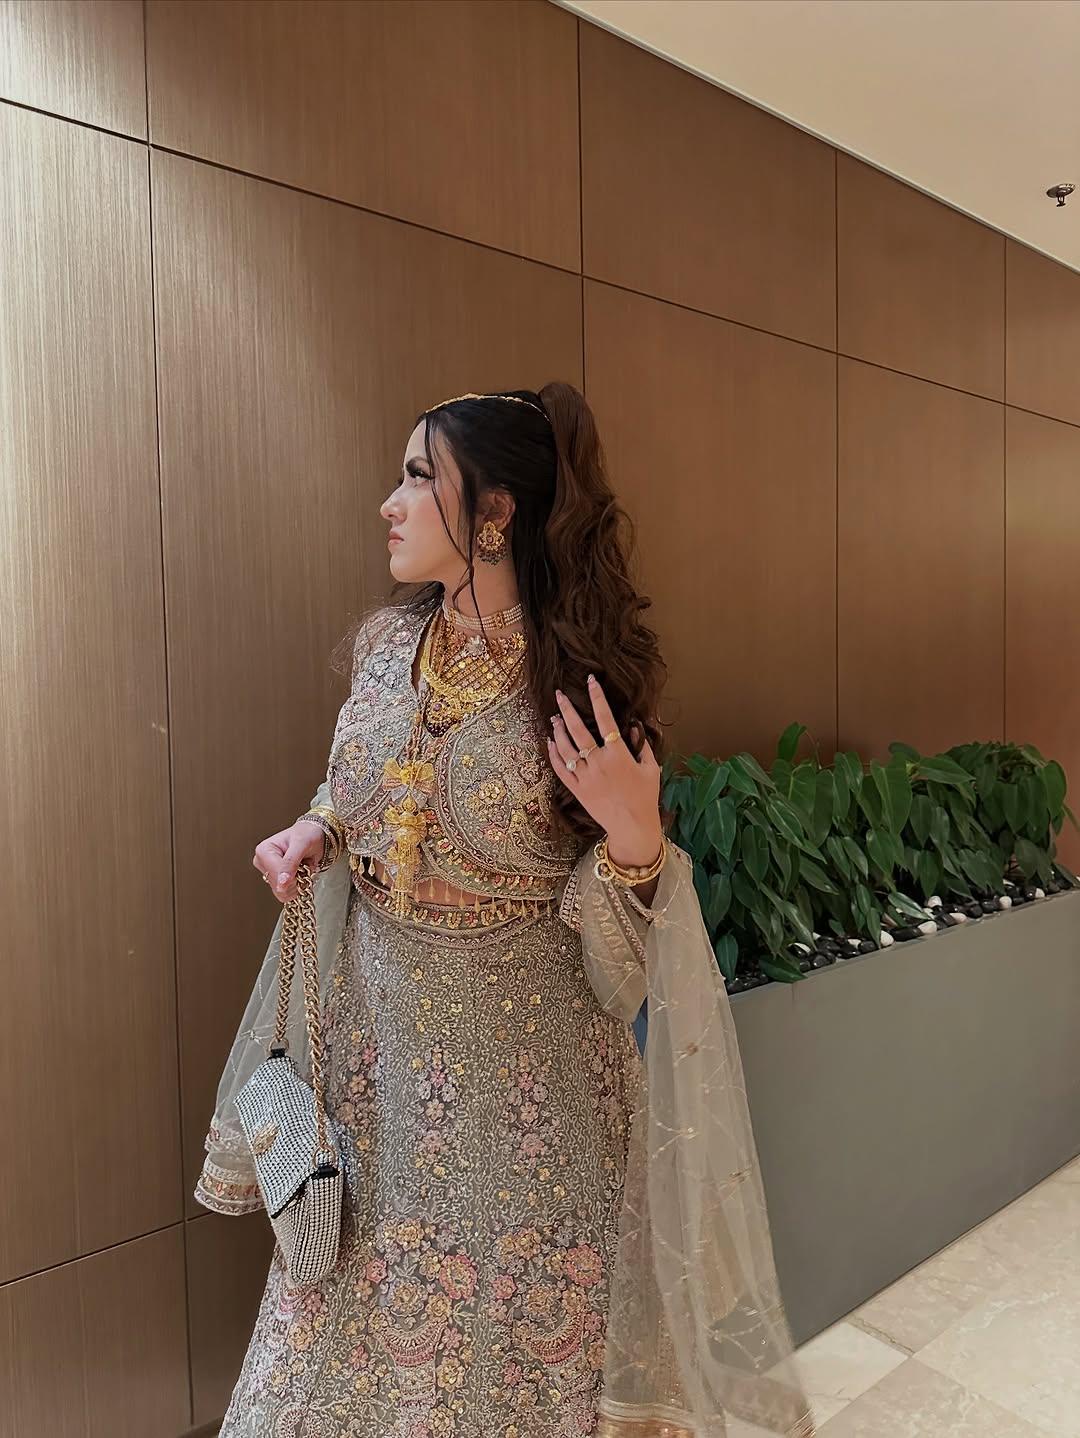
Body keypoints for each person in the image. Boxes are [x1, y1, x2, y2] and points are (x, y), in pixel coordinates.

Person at [197, 385, 814, 1438]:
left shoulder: (572, 686)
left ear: (495, 513)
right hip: (377, 1077)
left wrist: (635, 839)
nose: (390, 503)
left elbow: (621, 968)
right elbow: (361, 786)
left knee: (508, 1378)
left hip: (530, 1104)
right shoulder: (389, 648)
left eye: (417, 477)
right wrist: (318, 830)